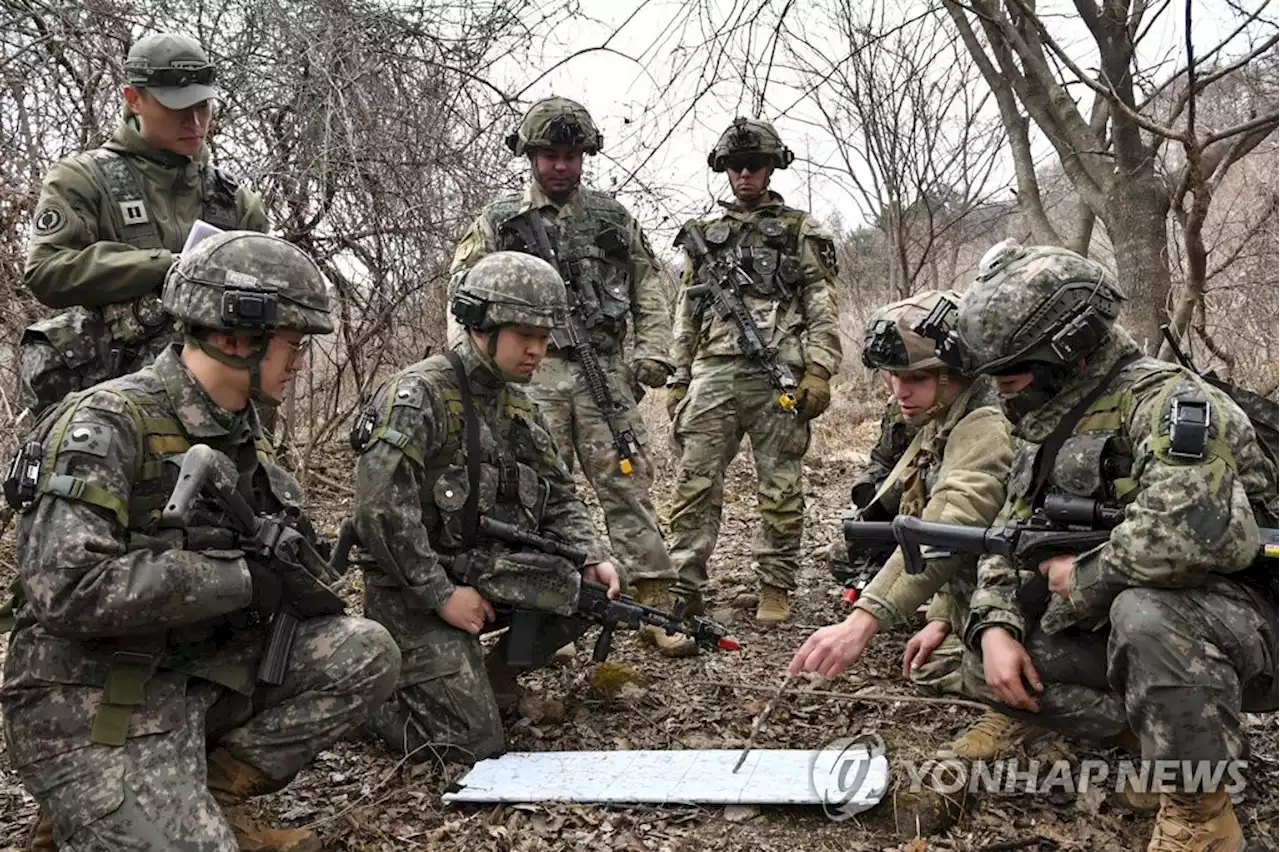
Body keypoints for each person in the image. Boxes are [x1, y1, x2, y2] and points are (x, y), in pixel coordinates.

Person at [1, 231, 399, 851]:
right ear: (237, 336)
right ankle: (92, 806)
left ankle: (211, 797)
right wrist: (236, 580)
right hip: (94, 692)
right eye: (293, 345)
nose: (299, 363)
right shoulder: (108, 422)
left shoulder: (243, 430)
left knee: (364, 651)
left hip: (193, 669)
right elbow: (65, 589)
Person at [952, 240, 1280, 850]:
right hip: (1181, 628)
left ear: (1066, 352)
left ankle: (1200, 815)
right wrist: (994, 624)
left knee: (1146, 611)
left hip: (1253, 622)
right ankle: (1162, 747)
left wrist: (1080, 580)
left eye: (1010, 374)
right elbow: (1013, 527)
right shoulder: (1048, 415)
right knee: (983, 657)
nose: (999, 391)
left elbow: (1191, 536)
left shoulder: (1167, 403)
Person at [352, 251, 623, 765]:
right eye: (525, 336)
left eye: (544, 339)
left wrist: (591, 554)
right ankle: (369, 703)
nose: (537, 352)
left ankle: (495, 680)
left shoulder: (518, 405)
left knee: (589, 589)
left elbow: (560, 495)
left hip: (485, 577)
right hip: (411, 595)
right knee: (475, 746)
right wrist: (442, 596)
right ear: (482, 325)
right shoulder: (420, 396)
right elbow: (379, 512)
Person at [448, 97, 687, 655]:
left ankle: (653, 601)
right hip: (527, 379)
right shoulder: (499, 220)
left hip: (603, 373)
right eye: (549, 155)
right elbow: (464, 297)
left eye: (571, 155)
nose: (560, 166)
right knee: (531, 495)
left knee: (628, 484)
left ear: (585, 157)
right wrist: (475, 371)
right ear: (530, 157)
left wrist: (652, 355)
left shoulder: (611, 218)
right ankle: (554, 611)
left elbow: (649, 287)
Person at [788, 290, 1031, 758]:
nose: (899, 392)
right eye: (892, 377)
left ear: (958, 372)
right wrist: (942, 616)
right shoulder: (946, 409)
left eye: (917, 378)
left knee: (984, 669)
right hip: (992, 580)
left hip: (1033, 590)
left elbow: (952, 520)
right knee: (927, 663)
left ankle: (1033, 712)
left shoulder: (986, 423)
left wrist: (862, 623)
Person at [20, 31, 267, 418]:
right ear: (134, 99)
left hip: (214, 414)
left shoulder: (235, 201)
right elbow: (47, 271)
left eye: (203, 106)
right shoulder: (84, 179)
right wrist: (164, 266)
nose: (195, 121)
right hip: (104, 411)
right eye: (177, 107)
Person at [665, 116, 843, 624]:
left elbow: (822, 303)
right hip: (713, 373)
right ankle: (684, 586)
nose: (745, 176)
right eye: (736, 167)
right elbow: (687, 312)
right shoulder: (702, 236)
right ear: (724, 170)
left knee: (781, 486)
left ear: (771, 169)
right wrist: (679, 378)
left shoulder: (802, 230)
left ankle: (776, 586)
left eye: (755, 166)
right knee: (694, 482)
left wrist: (820, 370)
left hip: (777, 374)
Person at [826, 397, 916, 590]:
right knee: (842, 557)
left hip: (939, 519)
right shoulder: (897, 409)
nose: (899, 385)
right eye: (891, 374)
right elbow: (882, 460)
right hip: (898, 518)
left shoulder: (970, 414)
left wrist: (894, 492)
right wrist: (869, 491)